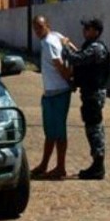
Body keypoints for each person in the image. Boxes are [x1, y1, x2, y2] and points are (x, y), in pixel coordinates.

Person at [60, 18, 110, 180]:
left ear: (96, 31)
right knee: (92, 127)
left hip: (94, 94)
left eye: (88, 28)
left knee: (94, 129)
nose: (85, 31)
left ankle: (98, 166)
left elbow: (77, 59)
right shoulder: (90, 47)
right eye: (85, 28)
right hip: (90, 92)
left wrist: (65, 46)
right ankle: (97, 164)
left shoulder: (96, 49)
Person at [31, 15, 73, 180]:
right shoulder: (56, 36)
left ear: (47, 25)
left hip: (58, 93)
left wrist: (70, 78)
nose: (37, 31)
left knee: (58, 132)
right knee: (50, 132)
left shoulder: (49, 42)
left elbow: (60, 66)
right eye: (35, 28)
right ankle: (44, 164)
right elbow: (70, 46)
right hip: (51, 92)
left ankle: (60, 167)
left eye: (40, 27)